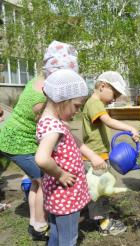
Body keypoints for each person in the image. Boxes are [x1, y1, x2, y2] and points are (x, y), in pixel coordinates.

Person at [0, 40, 78, 241]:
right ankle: (41, 223)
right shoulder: (43, 96)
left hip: (13, 137)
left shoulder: (38, 80)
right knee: (45, 180)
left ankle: (36, 222)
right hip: (18, 142)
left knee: (37, 181)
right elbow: (47, 122)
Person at [35, 69, 104, 245]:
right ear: (62, 100)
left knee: (57, 235)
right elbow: (42, 159)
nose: (78, 111)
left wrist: (92, 156)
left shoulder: (52, 121)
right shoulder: (54, 128)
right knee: (68, 239)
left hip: (56, 195)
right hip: (64, 195)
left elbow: (75, 141)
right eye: (76, 106)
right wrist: (61, 174)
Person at [82, 71, 139, 235]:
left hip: (96, 155)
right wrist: (130, 127)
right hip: (96, 157)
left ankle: (97, 217)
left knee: (96, 190)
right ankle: (105, 225)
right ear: (102, 86)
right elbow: (108, 121)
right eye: (114, 94)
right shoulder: (94, 104)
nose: (114, 99)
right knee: (101, 191)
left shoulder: (93, 103)